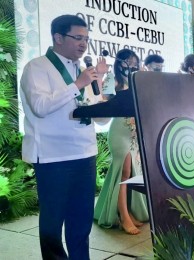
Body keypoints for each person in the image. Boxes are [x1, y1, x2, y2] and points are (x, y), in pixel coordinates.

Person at [19, 15, 109, 259]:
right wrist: (78, 84)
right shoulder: (37, 67)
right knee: (52, 222)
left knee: (81, 221)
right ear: (58, 38)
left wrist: (100, 84)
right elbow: (40, 105)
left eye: (86, 39)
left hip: (85, 154)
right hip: (53, 157)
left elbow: (101, 119)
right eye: (77, 38)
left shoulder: (83, 72)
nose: (83, 44)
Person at [94, 49, 149, 235]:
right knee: (124, 172)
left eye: (134, 61)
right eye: (127, 61)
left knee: (132, 171)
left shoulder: (136, 80)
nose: (131, 64)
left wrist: (144, 78)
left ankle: (126, 212)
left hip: (134, 132)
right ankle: (124, 216)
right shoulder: (112, 79)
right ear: (119, 62)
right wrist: (100, 76)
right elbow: (102, 101)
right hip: (119, 131)